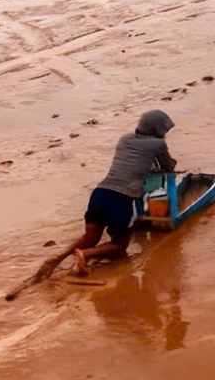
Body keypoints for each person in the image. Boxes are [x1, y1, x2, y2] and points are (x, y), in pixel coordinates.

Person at [70, 109, 177, 274]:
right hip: (120, 199)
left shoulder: (125, 139)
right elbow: (167, 167)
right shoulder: (158, 144)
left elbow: (132, 162)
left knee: (91, 237)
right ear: (157, 130)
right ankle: (85, 254)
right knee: (120, 244)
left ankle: (62, 260)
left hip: (99, 193)